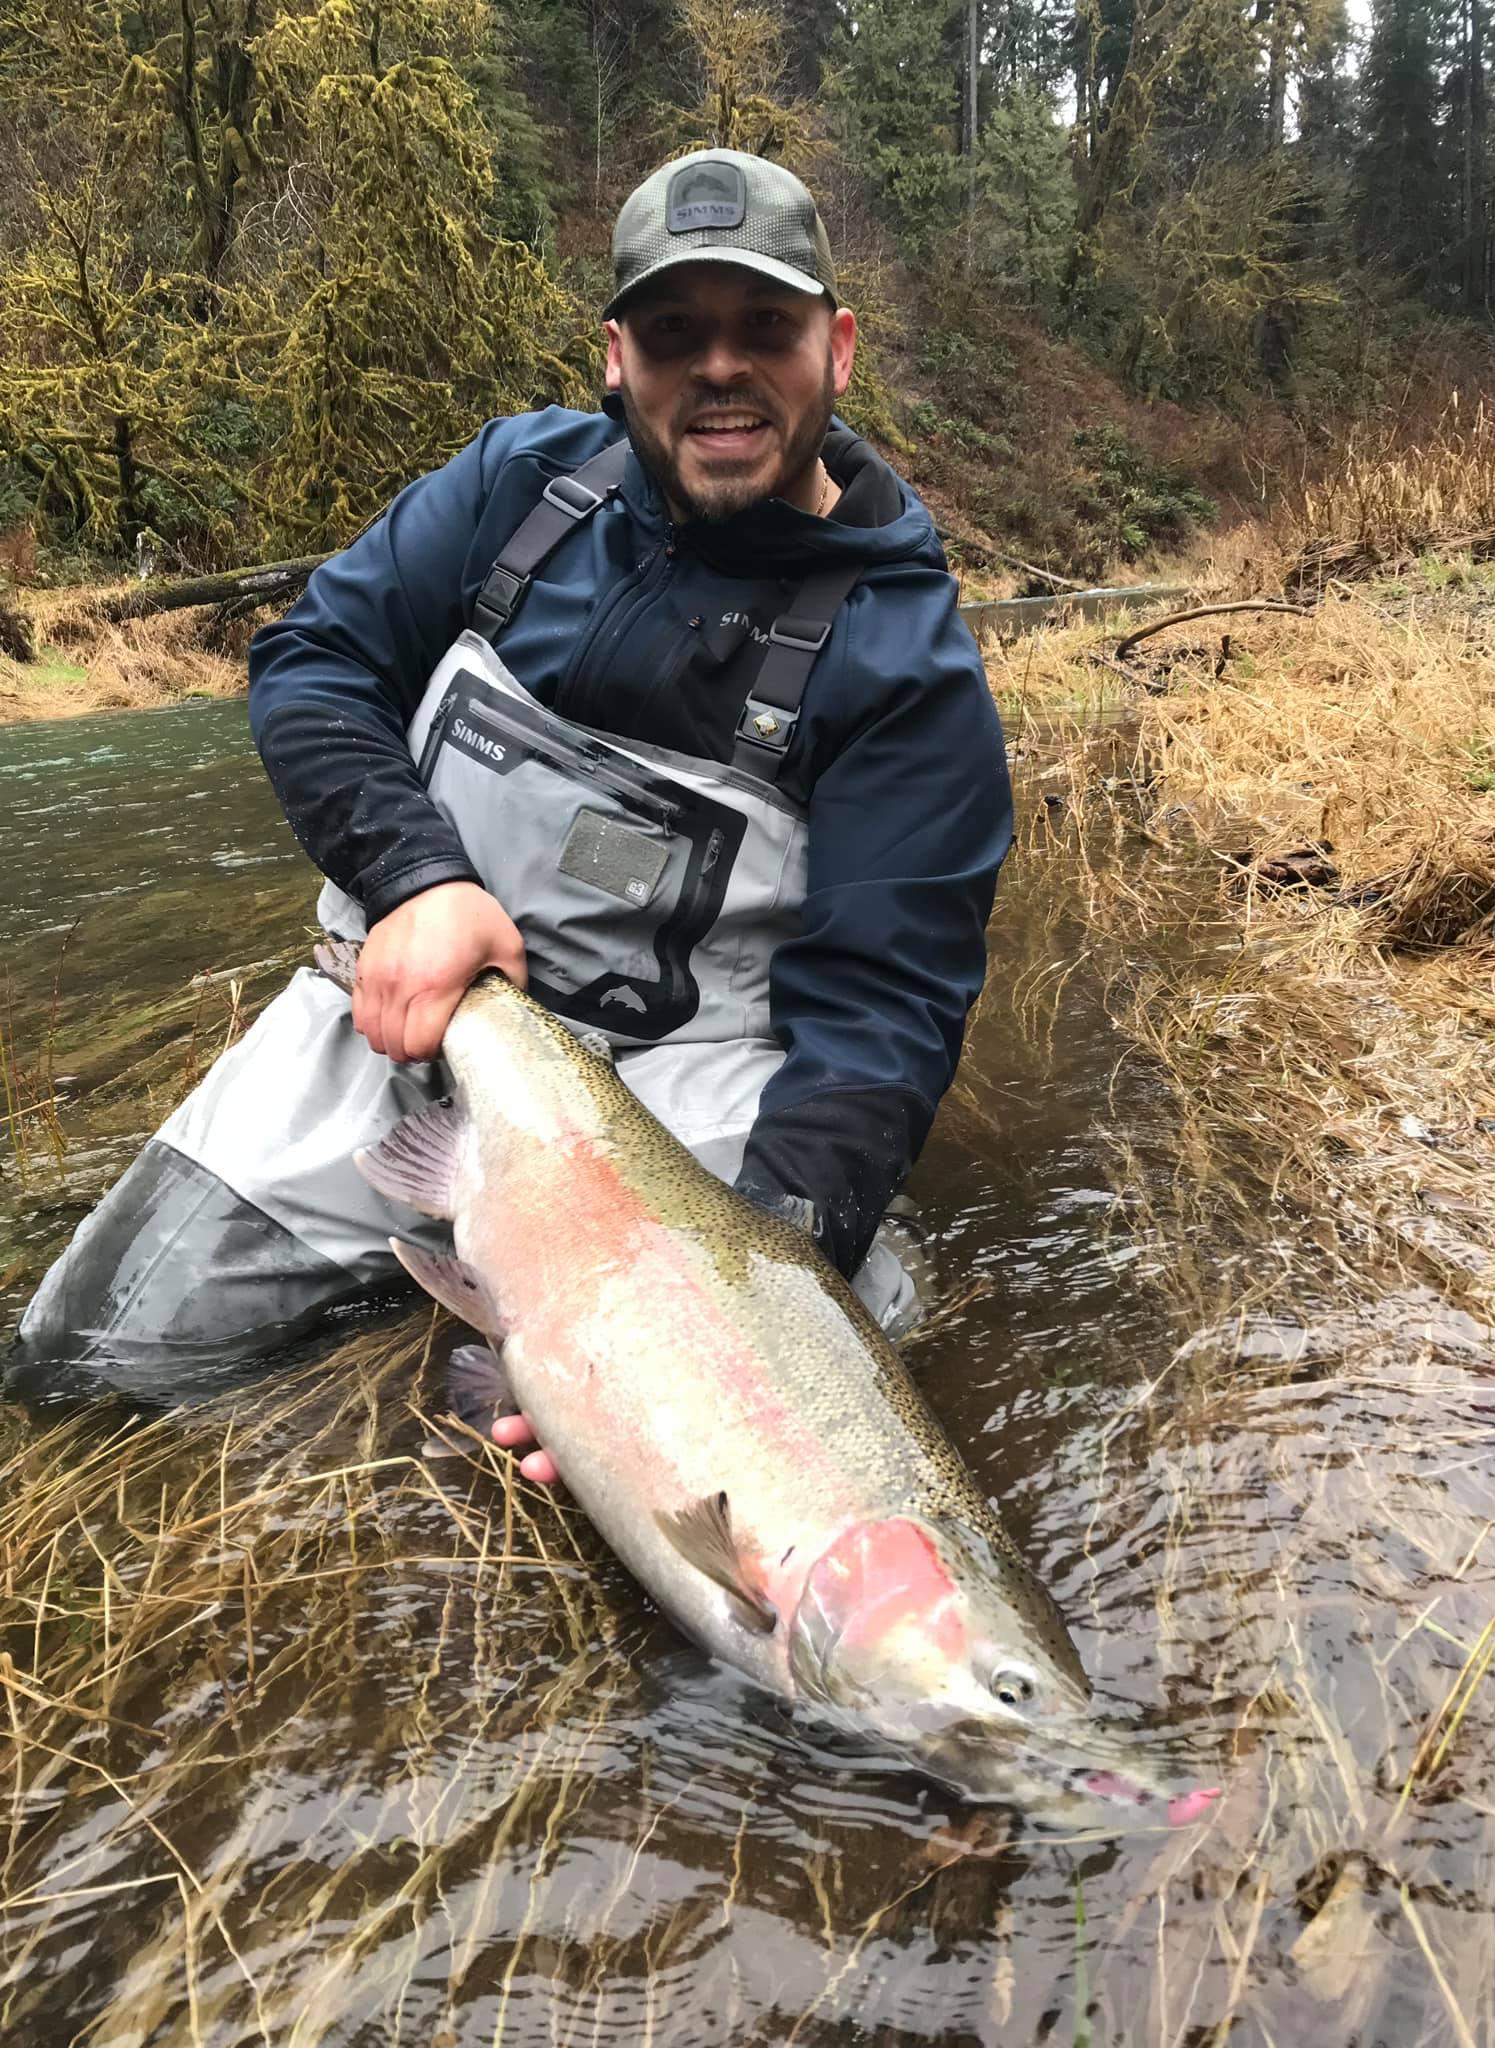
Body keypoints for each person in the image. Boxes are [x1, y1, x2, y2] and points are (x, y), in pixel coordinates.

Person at [7, 150, 1013, 1476]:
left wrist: (700, 1324)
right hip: (395, 1015)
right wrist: (418, 879)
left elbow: (875, 1031)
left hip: (674, 1105)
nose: (721, 367)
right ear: (615, 356)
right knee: (84, 1376)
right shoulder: (514, 489)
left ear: (838, 348)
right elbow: (314, 665)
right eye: (676, 332)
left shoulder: (908, 664)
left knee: (800, 1402)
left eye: (764, 327)